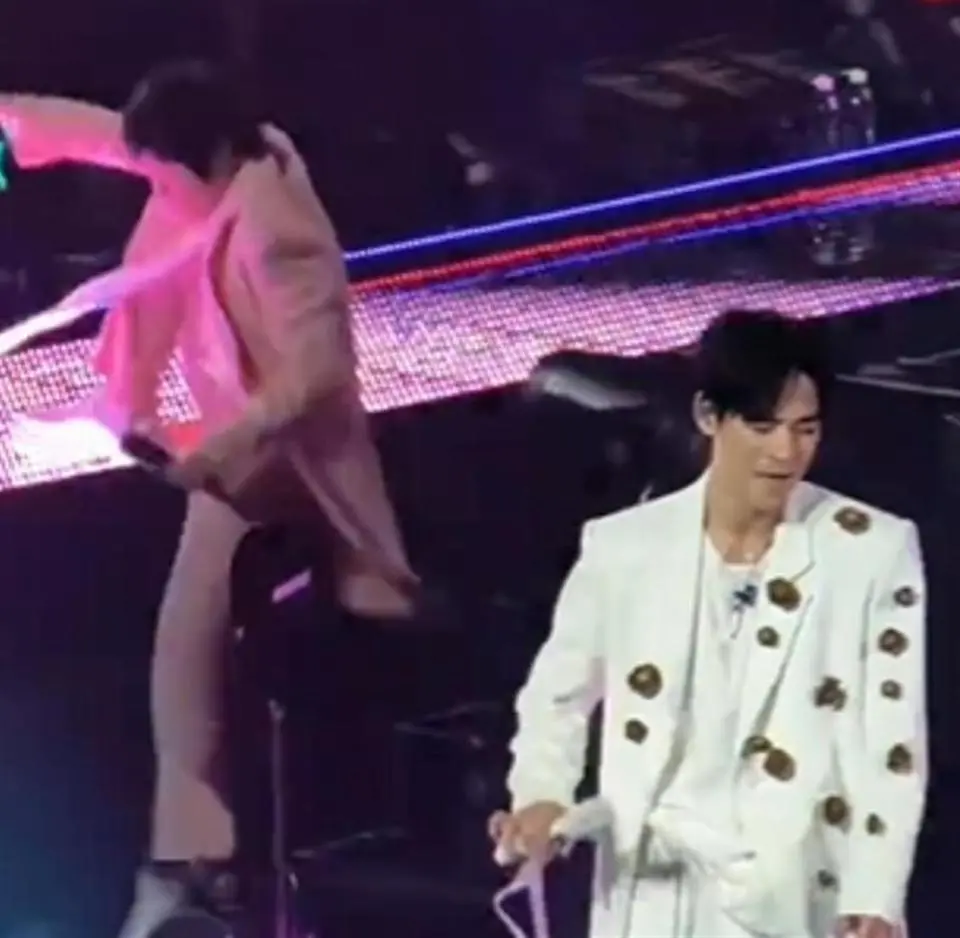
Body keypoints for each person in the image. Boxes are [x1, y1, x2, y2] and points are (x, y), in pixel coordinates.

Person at [0, 61, 422, 937]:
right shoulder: (199, 177)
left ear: (213, 158)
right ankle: (194, 857)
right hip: (235, 446)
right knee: (189, 645)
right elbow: (96, 132)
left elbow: (316, 375)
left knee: (186, 642)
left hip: (285, 459)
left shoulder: (274, 230)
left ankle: (188, 865)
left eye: (166, 173)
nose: (153, 184)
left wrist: (221, 448)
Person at [489, 309, 927, 938]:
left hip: (793, 887)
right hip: (652, 887)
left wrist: (874, 896)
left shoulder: (871, 551)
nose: (786, 452)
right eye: (762, 426)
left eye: (805, 429)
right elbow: (556, 699)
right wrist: (540, 797)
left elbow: (891, 743)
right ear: (708, 416)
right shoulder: (624, 548)